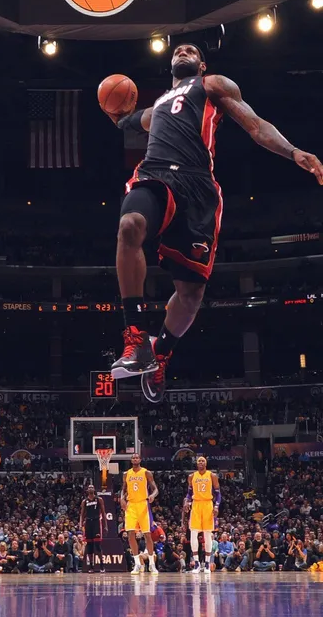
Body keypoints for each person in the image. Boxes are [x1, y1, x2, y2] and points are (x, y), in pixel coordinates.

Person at [108, 42, 323, 401]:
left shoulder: (212, 85)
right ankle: (136, 338)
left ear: (202, 65)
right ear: (170, 64)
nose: (182, 50)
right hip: (155, 172)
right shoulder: (158, 104)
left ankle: (161, 353)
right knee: (129, 225)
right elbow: (128, 122)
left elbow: (256, 125)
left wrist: (293, 151)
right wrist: (115, 113)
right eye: (178, 50)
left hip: (197, 186)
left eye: (191, 50)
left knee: (191, 294)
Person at [120, 452, 158, 575]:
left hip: (143, 505)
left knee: (147, 534)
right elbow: (123, 489)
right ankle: (137, 564)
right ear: (131, 460)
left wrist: (152, 495)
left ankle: (151, 564)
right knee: (130, 533)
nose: (135, 459)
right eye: (133, 458)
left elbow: (155, 489)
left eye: (137, 457)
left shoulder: (146, 472)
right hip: (131, 506)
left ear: (140, 460)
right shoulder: (126, 474)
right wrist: (121, 499)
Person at [183, 456, 220, 575]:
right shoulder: (191, 476)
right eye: (199, 461)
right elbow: (189, 493)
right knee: (193, 532)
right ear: (196, 463)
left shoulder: (212, 476)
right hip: (196, 504)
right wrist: (187, 501)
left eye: (203, 461)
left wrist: (216, 506)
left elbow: (218, 494)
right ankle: (197, 563)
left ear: (206, 463)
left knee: (207, 534)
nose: (201, 462)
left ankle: (207, 563)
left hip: (208, 504)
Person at [80, 484, 107, 573]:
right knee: (89, 546)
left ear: (94, 489)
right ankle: (91, 566)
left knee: (97, 545)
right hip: (88, 523)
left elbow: (103, 513)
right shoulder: (84, 501)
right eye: (89, 487)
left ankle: (102, 565)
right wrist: (80, 524)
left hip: (96, 522)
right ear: (87, 490)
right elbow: (82, 514)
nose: (91, 488)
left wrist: (105, 525)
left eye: (92, 487)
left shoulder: (99, 499)